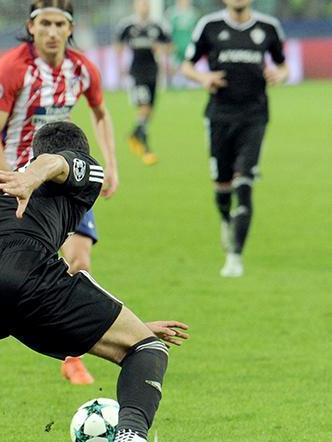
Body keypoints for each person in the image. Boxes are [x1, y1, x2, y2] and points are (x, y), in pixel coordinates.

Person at [0, 120, 199, 442]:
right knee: (146, 348)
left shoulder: (0, 189)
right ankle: (130, 440)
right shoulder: (77, 169)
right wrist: (35, 176)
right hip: (25, 271)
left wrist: (28, 177)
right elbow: (58, 163)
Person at [0, 0, 118, 386]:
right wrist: (12, 183)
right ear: (31, 26)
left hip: (66, 180)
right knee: (14, 275)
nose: (52, 32)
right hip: (24, 182)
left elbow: (101, 113)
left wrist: (111, 164)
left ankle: (74, 355)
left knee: (80, 261)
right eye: (45, 24)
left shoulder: (82, 68)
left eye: (59, 24)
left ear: (70, 28)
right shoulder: (12, 68)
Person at [181, 0, 287, 277]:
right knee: (222, 185)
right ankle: (227, 219)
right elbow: (187, 66)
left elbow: (283, 65)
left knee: (244, 182)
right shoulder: (210, 26)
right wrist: (203, 78)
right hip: (219, 117)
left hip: (254, 117)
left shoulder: (268, 27)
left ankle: (234, 256)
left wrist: (279, 74)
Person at [115, 0, 171, 165]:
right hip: (136, 72)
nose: (143, 6)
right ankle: (143, 142)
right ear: (135, 6)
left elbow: (169, 46)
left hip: (153, 71)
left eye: (146, 4)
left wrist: (160, 48)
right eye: (141, 3)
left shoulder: (158, 26)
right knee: (144, 106)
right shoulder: (127, 25)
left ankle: (136, 134)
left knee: (150, 110)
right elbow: (118, 46)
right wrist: (120, 67)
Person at [164, 0, 200, 87]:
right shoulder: (170, 13)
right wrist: (169, 46)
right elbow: (167, 33)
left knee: (190, 69)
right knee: (173, 71)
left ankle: (191, 87)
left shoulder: (194, 13)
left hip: (189, 47)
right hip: (175, 48)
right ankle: (173, 87)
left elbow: (197, 33)